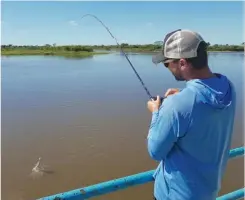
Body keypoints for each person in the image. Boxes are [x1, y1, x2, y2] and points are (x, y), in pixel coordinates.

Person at [146, 29, 236, 200]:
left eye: (167, 64)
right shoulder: (228, 87)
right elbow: (205, 98)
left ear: (182, 63)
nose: (167, 68)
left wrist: (156, 112)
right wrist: (182, 94)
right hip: (208, 191)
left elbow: (155, 152)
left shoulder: (175, 105)